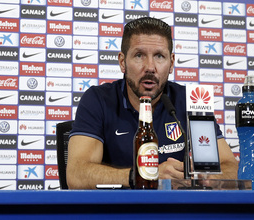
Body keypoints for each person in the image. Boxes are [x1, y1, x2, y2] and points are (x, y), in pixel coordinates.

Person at [66, 17, 238, 189]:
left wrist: (202, 177)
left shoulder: (190, 100)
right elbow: (76, 175)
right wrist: (145, 176)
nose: (150, 67)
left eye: (159, 56)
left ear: (171, 63)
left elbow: (231, 167)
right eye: (139, 55)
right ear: (122, 62)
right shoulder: (98, 99)